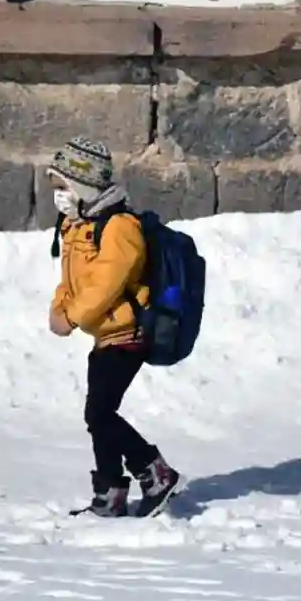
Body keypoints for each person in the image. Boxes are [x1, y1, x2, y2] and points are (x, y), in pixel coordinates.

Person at [46, 137, 185, 518]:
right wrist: (59, 309)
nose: (57, 196)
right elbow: (71, 281)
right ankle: (110, 492)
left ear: (82, 187)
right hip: (106, 336)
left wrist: (73, 316)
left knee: (100, 414)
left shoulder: (121, 227)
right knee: (98, 417)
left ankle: (156, 472)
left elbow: (106, 283)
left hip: (129, 333)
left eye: (62, 187)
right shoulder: (77, 227)